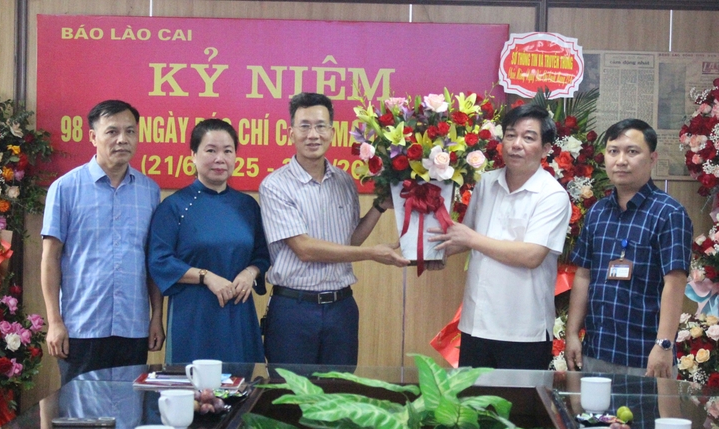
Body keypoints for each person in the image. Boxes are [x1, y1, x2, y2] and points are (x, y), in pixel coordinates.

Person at [259, 92, 409, 366]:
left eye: (320, 126)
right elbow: (304, 249)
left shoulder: (344, 181)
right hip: (294, 309)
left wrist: (379, 207)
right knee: (289, 399)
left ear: (332, 131)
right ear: (290, 132)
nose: (313, 134)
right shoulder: (274, 185)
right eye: (304, 126)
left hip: (342, 309)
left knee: (339, 398)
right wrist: (372, 254)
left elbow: (349, 240)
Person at [429, 104, 571, 370]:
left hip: (522, 331)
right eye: (510, 135)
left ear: (546, 149)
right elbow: (464, 236)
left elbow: (532, 255)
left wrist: (472, 240)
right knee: (473, 407)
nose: (516, 144)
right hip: (476, 324)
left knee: (518, 411)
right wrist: (427, 251)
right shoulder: (486, 183)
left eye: (528, 138)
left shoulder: (552, 195)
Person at [41, 100, 164, 383]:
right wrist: (55, 322)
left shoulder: (150, 192)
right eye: (112, 132)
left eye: (130, 131)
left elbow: (153, 260)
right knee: (80, 416)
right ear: (93, 137)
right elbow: (50, 258)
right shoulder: (65, 188)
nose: (123, 139)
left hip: (132, 328)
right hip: (82, 327)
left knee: (129, 413)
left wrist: (156, 316)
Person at [565, 119, 692, 378]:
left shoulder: (669, 213)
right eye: (613, 151)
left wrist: (664, 345)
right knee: (594, 420)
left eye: (632, 151)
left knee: (644, 419)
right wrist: (572, 334)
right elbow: (583, 275)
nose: (621, 160)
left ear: (652, 158)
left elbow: (675, 282)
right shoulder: (597, 212)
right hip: (596, 351)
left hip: (645, 357)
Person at [147, 119, 270, 363]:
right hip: (193, 316)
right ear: (193, 155)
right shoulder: (174, 206)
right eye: (210, 150)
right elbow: (159, 261)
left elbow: (263, 254)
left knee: (242, 390)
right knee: (195, 393)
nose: (219, 159)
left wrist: (250, 272)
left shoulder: (247, 206)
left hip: (239, 314)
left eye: (227, 151)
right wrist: (206, 277)